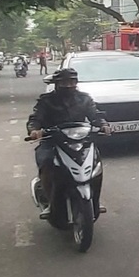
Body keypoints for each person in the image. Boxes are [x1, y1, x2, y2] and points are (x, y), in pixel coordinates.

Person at [26, 68, 109, 219]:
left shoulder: (85, 99)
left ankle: (95, 201)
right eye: (64, 82)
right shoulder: (46, 100)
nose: (69, 85)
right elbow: (35, 118)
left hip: (80, 141)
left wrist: (103, 124)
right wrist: (34, 130)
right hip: (52, 140)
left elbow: (95, 115)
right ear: (57, 84)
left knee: (96, 166)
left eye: (72, 81)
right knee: (46, 162)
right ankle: (49, 200)